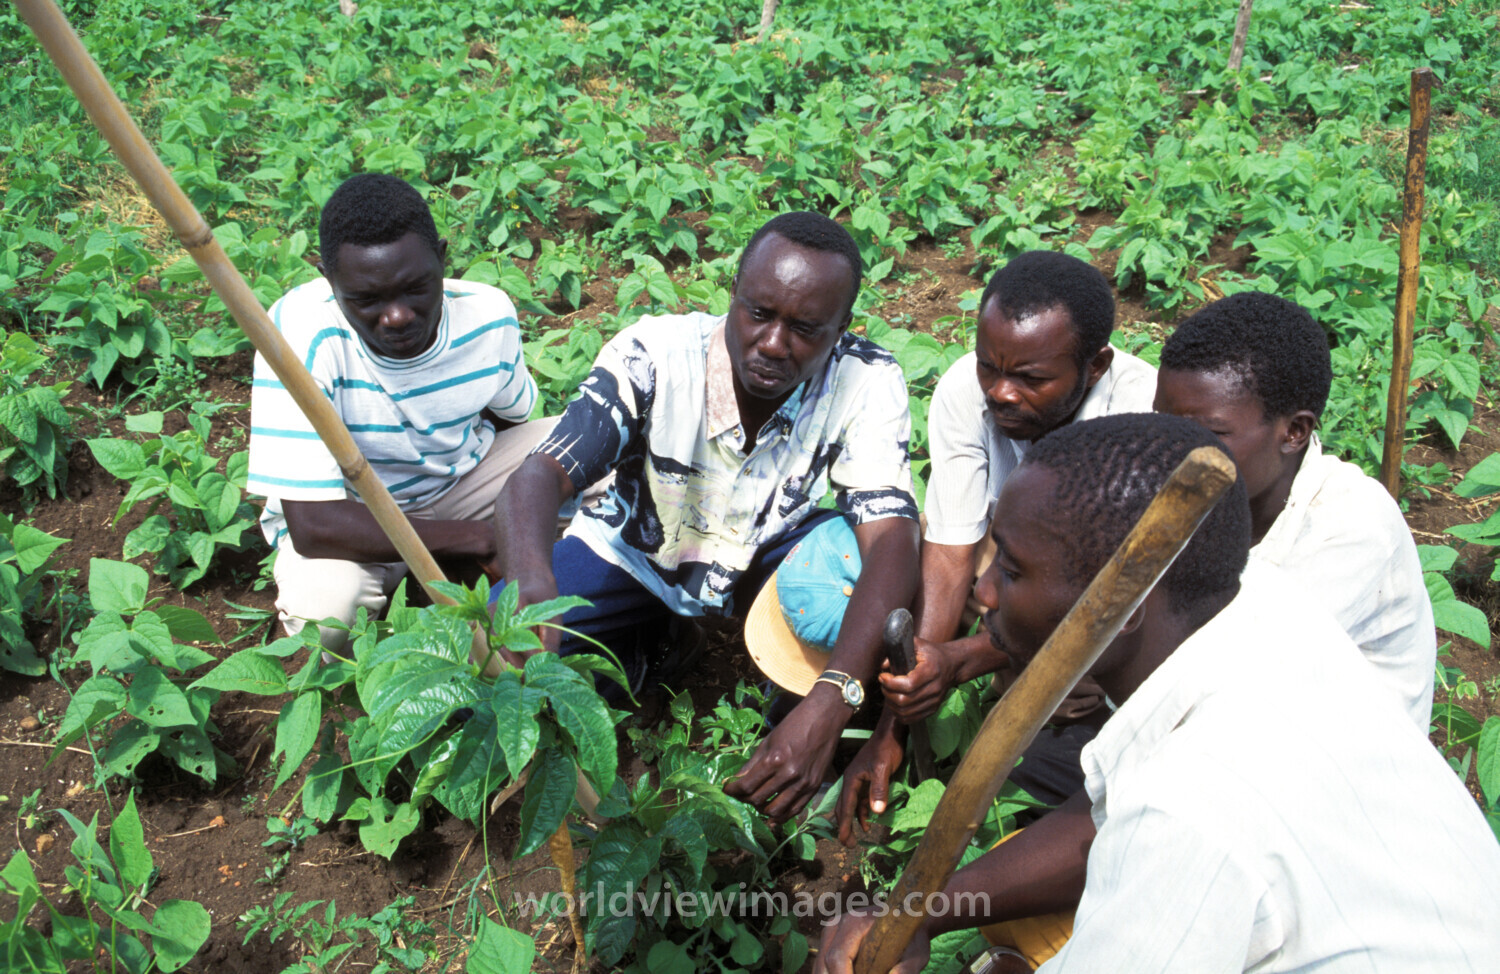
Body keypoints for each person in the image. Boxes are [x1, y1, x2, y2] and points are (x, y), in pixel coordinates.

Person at [813, 414, 1500, 974]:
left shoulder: (1187, 810)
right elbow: (1095, 827)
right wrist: (921, 909)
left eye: (1014, 570)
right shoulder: (1267, 605)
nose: (984, 590)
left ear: (1125, 605)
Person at [489, 211, 921, 822]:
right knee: (499, 652)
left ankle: (791, 734)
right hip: (635, 554)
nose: (773, 343)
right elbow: (537, 478)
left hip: (765, 553)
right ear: (733, 295)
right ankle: (650, 649)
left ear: (841, 328)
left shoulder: (866, 379)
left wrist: (834, 698)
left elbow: (893, 540)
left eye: (805, 328)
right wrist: (532, 585)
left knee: (860, 582)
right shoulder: (657, 354)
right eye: (759, 313)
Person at [839, 250, 1156, 835]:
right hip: (1014, 559)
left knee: (1065, 715)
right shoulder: (966, 390)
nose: (1001, 393)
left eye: (1031, 379)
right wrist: (898, 715)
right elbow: (952, 551)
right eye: (991, 367)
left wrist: (965, 661)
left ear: (1095, 366)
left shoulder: (1136, 419)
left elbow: (1111, 588)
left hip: (1115, 596)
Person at [247, 173, 552, 651]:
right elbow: (312, 526)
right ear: (329, 281)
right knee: (325, 621)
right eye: (366, 300)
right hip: (351, 523)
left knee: (600, 456)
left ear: (442, 259)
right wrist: (479, 538)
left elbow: (513, 422)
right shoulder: (300, 330)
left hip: (459, 486)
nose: (396, 316)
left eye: (415, 288)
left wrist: (501, 516)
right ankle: (433, 581)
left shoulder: (488, 314)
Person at [1154, 290, 1434, 728]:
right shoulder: (1200, 491)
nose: (1171, 452)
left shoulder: (1351, 527)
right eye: (1161, 423)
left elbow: (1224, 681)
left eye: (1209, 433)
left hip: (1319, 765)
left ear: (1294, 432)